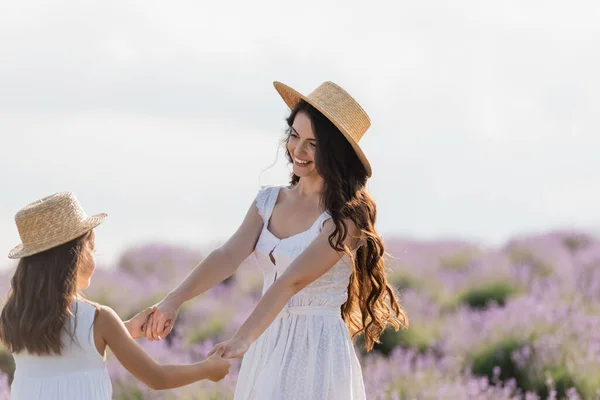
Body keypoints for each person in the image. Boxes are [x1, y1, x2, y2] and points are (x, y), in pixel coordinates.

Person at [146, 81, 408, 399]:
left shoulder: (347, 218)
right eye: (294, 136)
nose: (298, 150)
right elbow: (228, 254)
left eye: (313, 143)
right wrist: (173, 301)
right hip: (267, 339)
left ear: (336, 151)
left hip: (316, 349)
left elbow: (291, 282)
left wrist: (242, 339)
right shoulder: (269, 201)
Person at [0, 192, 231, 400]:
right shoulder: (100, 319)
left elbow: (67, 343)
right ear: (76, 255)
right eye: (91, 248)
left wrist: (125, 330)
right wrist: (208, 369)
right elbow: (157, 377)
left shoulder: (12, 319)